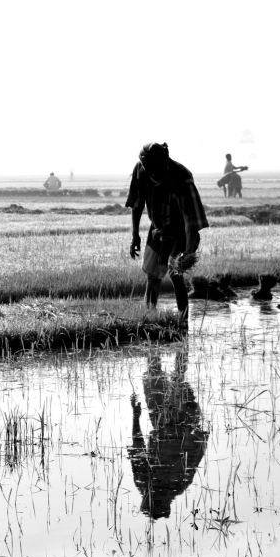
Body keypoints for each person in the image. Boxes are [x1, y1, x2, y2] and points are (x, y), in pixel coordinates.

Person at [126, 143, 209, 326]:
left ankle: (183, 322)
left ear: (164, 162)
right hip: (157, 227)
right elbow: (137, 204)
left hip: (180, 231)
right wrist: (135, 235)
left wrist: (188, 252)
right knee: (152, 275)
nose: (152, 173)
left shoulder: (181, 177)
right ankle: (149, 318)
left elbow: (190, 220)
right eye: (149, 169)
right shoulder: (140, 170)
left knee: (175, 274)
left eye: (155, 169)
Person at [128, 347, 208, 519]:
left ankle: (154, 339)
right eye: (149, 498)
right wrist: (193, 430)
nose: (147, 494)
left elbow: (137, 448)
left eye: (147, 497)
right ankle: (180, 340)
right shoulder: (180, 482)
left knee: (152, 375)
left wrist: (136, 416)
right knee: (178, 378)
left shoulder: (144, 484)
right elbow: (199, 448)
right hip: (183, 422)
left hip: (161, 424)